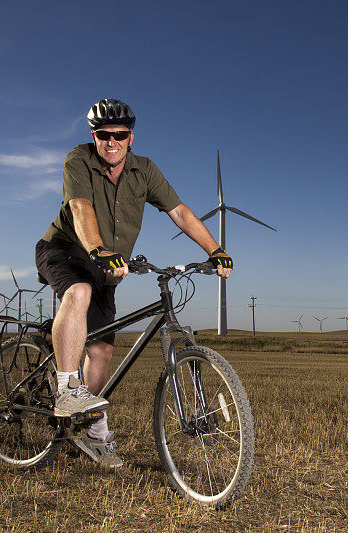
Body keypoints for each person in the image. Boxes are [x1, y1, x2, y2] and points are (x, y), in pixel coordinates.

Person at [35, 98, 232, 468]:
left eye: (119, 135)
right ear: (93, 136)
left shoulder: (145, 171)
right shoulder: (78, 160)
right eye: (102, 135)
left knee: (102, 352)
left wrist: (216, 249)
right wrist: (96, 248)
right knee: (78, 291)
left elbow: (180, 212)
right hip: (64, 251)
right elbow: (81, 207)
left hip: (107, 267)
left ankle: (91, 430)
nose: (111, 142)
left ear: (131, 137)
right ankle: (65, 389)